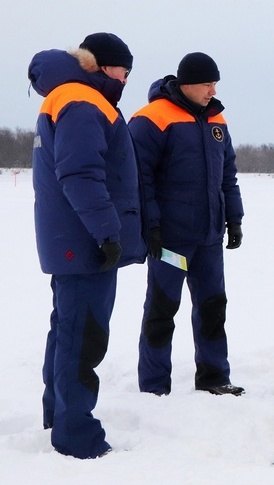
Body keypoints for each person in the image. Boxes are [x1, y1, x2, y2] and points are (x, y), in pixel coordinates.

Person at [28, 33, 146, 459]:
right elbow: (80, 174)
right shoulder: (82, 100)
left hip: (71, 240)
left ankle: (57, 416)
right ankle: (76, 435)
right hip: (84, 243)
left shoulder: (68, 98)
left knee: (67, 330)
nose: (126, 79)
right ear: (99, 66)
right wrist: (108, 233)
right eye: (122, 70)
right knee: (83, 336)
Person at [128, 52, 245, 397]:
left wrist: (234, 219)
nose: (213, 90)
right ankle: (153, 386)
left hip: (209, 237)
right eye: (207, 84)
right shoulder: (152, 118)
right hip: (170, 241)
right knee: (162, 310)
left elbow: (228, 175)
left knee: (212, 309)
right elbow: (139, 180)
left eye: (215, 83)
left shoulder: (216, 119)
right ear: (188, 83)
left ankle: (214, 377)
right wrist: (150, 227)